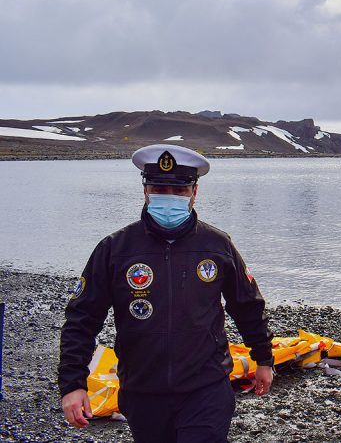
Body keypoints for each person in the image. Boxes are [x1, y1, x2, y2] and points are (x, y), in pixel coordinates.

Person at [59, 144, 275, 442]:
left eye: (179, 191)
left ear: (194, 193)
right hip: (142, 389)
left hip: (206, 387)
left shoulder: (217, 245)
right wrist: (73, 384)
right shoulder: (115, 249)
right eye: (159, 188)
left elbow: (247, 305)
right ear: (145, 191)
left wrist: (263, 358)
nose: (169, 198)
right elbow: (82, 318)